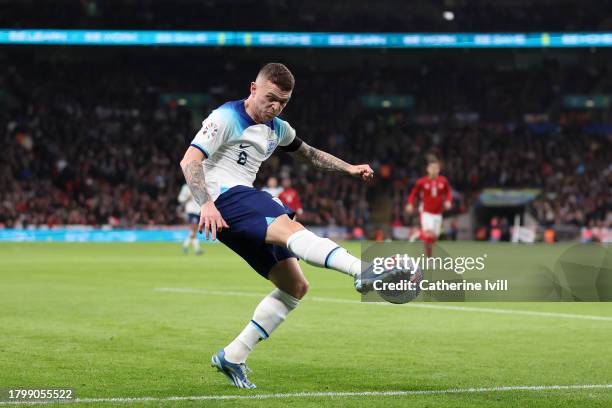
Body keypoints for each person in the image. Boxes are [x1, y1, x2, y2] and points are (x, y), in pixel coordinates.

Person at [179, 63, 402, 389]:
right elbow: (190, 160)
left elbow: (309, 155)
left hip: (235, 212)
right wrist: (207, 204)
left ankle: (233, 356)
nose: (275, 107)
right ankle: (362, 270)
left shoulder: (277, 128)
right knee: (291, 230)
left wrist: (350, 168)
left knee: (294, 286)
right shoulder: (225, 118)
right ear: (253, 89)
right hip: (226, 198)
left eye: (283, 102)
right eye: (270, 98)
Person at [405, 157, 452, 257]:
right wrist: (410, 203)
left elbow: (448, 192)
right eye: (432, 168)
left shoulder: (443, 181)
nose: (434, 170)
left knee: (433, 239)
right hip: (426, 212)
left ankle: (419, 234)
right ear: (428, 169)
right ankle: (418, 235)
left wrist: (448, 201)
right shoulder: (422, 182)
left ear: (439, 170)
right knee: (429, 235)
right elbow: (413, 193)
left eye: (436, 168)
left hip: (438, 214)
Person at [177, 183, 203, 254]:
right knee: (193, 230)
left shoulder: (200, 185)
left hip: (198, 211)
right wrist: (188, 197)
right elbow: (180, 198)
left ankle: (185, 246)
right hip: (191, 211)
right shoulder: (186, 187)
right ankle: (197, 249)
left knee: (193, 231)